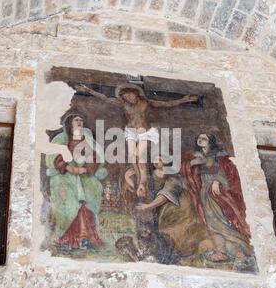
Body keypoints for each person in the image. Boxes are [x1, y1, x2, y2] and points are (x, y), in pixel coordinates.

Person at [76, 84, 197, 198]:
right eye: (125, 97)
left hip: (145, 132)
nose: (128, 98)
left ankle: (143, 182)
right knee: (133, 157)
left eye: (129, 95)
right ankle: (139, 180)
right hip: (131, 132)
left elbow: (166, 104)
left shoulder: (147, 103)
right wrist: (89, 91)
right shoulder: (124, 104)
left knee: (139, 156)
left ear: (136, 93)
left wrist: (183, 100)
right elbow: (106, 99)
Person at [180, 133, 253, 263]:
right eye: (199, 138)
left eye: (204, 138)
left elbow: (227, 172)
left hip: (215, 192)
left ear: (210, 142)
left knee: (220, 221)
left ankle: (242, 250)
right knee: (211, 223)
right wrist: (191, 163)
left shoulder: (218, 155)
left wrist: (217, 181)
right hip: (204, 191)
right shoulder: (196, 156)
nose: (200, 140)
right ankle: (221, 252)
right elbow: (187, 170)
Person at [45, 113, 108, 249]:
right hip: (65, 176)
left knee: (92, 192)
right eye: (76, 120)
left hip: (85, 176)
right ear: (70, 124)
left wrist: (85, 169)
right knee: (70, 201)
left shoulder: (88, 140)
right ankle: (67, 238)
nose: (79, 122)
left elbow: (96, 157)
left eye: (81, 120)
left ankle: (87, 237)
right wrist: (67, 167)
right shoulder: (61, 139)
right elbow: (52, 156)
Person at [133, 157, 209, 264]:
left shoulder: (174, 178)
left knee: (172, 235)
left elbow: (165, 195)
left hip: (178, 212)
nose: (156, 160)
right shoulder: (151, 176)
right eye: (155, 157)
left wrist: (148, 206)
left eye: (160, 158)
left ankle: (169, 255)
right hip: (159, 210)